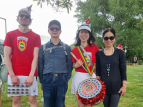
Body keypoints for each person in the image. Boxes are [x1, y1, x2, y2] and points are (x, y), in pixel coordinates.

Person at [3, 5, 41, 107]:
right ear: (18, 18)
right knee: (16, 100)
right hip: (15, 73)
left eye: (27, 16)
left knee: (32, 99)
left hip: (30, 73)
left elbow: (35, 57)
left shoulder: (36, 37)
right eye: (21, 15)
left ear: (30, 20)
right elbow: (6, 56)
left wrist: (31, 75)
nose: (24, 17)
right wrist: (12, 75)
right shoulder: (10, 35)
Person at [38, 20, 73, 107]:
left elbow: (69, 65)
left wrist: (66, 78)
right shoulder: (43, 47)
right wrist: (42, 81)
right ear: (48, 31)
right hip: (47, 80)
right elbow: (41, 65)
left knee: (60, 104)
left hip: (62, 80)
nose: (54, 30)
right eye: (52, 28)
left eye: (57, 28)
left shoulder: (66, 47)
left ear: (60, 31)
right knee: (48, 104)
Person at [71, 18, 99, 107]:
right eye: (81, 32)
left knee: (89, 104)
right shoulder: (75, 50)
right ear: (78, 34)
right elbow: (73, 66)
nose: (84, 34)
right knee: (80, 104)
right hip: (79, 77)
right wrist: (76, 65)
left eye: (86, 32)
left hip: (91, 77)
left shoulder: (94, 47)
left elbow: (100, 61)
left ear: (89, 35)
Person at [96, 28, 127, 107]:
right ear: (103, 39)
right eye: (106, 38)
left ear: (114, 38)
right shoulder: (99, 54)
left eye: (111, 38)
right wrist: (98, 86)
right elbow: (98, 71)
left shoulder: (120, 53)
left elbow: (123, 70)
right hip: (103, 87)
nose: (108, 40)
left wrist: (124, 86)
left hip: (116, 87)